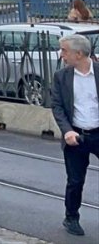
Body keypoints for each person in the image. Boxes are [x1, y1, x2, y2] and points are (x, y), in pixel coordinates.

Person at [51, 34, 99, 237]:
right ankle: (71, 217)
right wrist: (67, 130)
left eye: (64, 51)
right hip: (76, 136)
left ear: (78, 54)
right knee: (75, 181)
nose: (61, 55)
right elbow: (57, 106)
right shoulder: (61, 76)